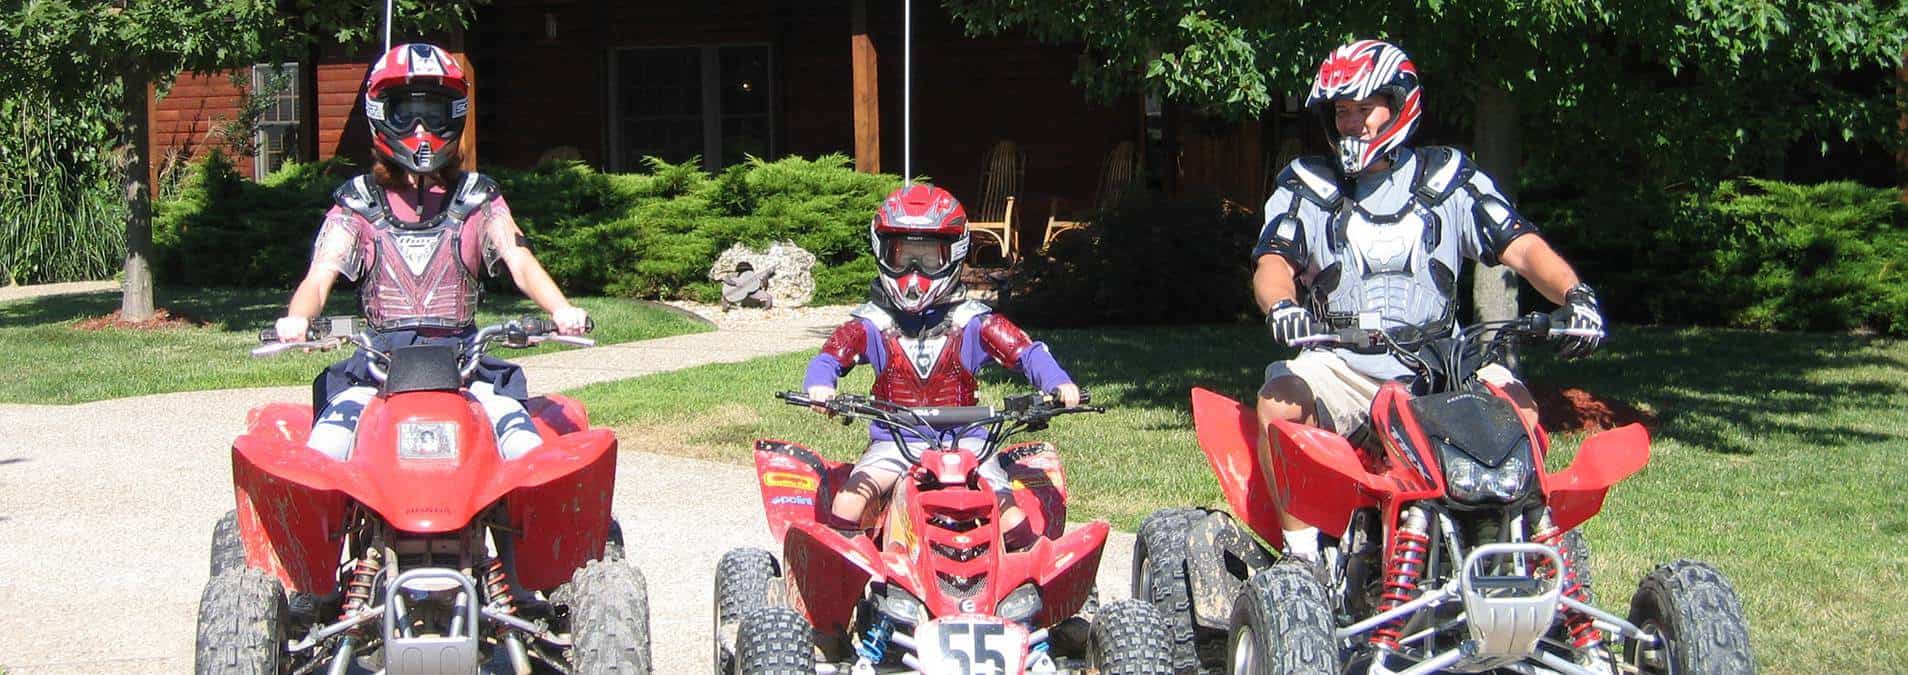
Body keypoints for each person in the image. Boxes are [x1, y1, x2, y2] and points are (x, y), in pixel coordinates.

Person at [1253, 40, 1606, 562]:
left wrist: (1576, 296)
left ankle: (1516, 550)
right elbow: (1272, 263)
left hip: (1445, 364)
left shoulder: (1450, 180)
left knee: (1522, 411)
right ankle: (1304, 561)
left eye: (1363, 108)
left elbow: (1523, 246)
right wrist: (1283, 307)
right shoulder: (1305, 185)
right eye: (1341, 111)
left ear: (1399, 105)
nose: (1350, 123)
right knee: (1279, 398)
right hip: (1345, 364)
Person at [274, 43, 588, 461]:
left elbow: (519, 260)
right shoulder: (357, 204)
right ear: (381, 114)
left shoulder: (478, 199)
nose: (421, 129)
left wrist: (560, 310)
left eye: (434, 113)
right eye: (406, 112)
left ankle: (534, 526)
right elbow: (320, 274)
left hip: (463, 364)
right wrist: (298, 319)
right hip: (376, 367)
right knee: (325, 449)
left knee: (521, 442)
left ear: (454, 115)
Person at [803, 184, 1081, 550]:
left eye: (928, 258)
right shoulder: (871, 322)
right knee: (848, 503)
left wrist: (1058, 382)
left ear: (954, 255)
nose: (914, 272)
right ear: (881, 251)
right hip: (895, 443)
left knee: (1012, 519)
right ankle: (846, 584)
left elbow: (1027, 353)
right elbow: (829, 357)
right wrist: (821, 386)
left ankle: (1031, 585)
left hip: (969, 444)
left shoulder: (973, 321)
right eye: (902, 256)